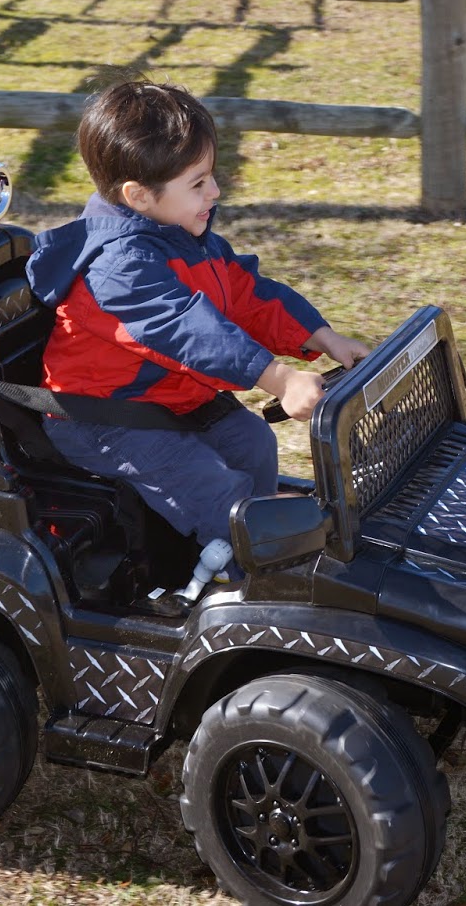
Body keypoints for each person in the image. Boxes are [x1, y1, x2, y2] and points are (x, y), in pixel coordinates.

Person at [25, 79, 370, 582]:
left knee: (253, 440)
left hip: (167, 399)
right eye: (198, 183)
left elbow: (248, 297)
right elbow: (190, 329)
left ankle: (237, 553)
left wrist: (322, 338)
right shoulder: (120, 266)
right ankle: (253, 572)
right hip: (107, 420)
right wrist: (277, 379)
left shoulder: (188, 236)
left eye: (211, 176)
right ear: (139, 196)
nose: (215, 191)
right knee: (219, 495)